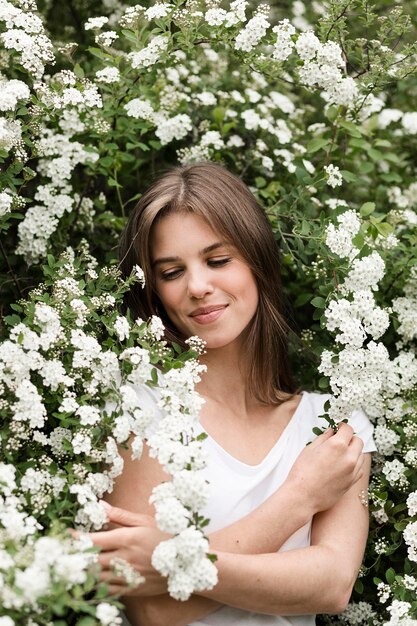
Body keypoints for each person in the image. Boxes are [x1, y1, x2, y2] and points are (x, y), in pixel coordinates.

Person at [90, 163, 376, 626]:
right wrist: (301, 496)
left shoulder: (333, 427)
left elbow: (331, 584)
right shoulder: (136, 410)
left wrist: (173, 559)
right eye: (171, 271)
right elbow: (154, 609)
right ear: (155, 291)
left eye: (218, 261)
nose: (198, 287)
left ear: (256, 262)